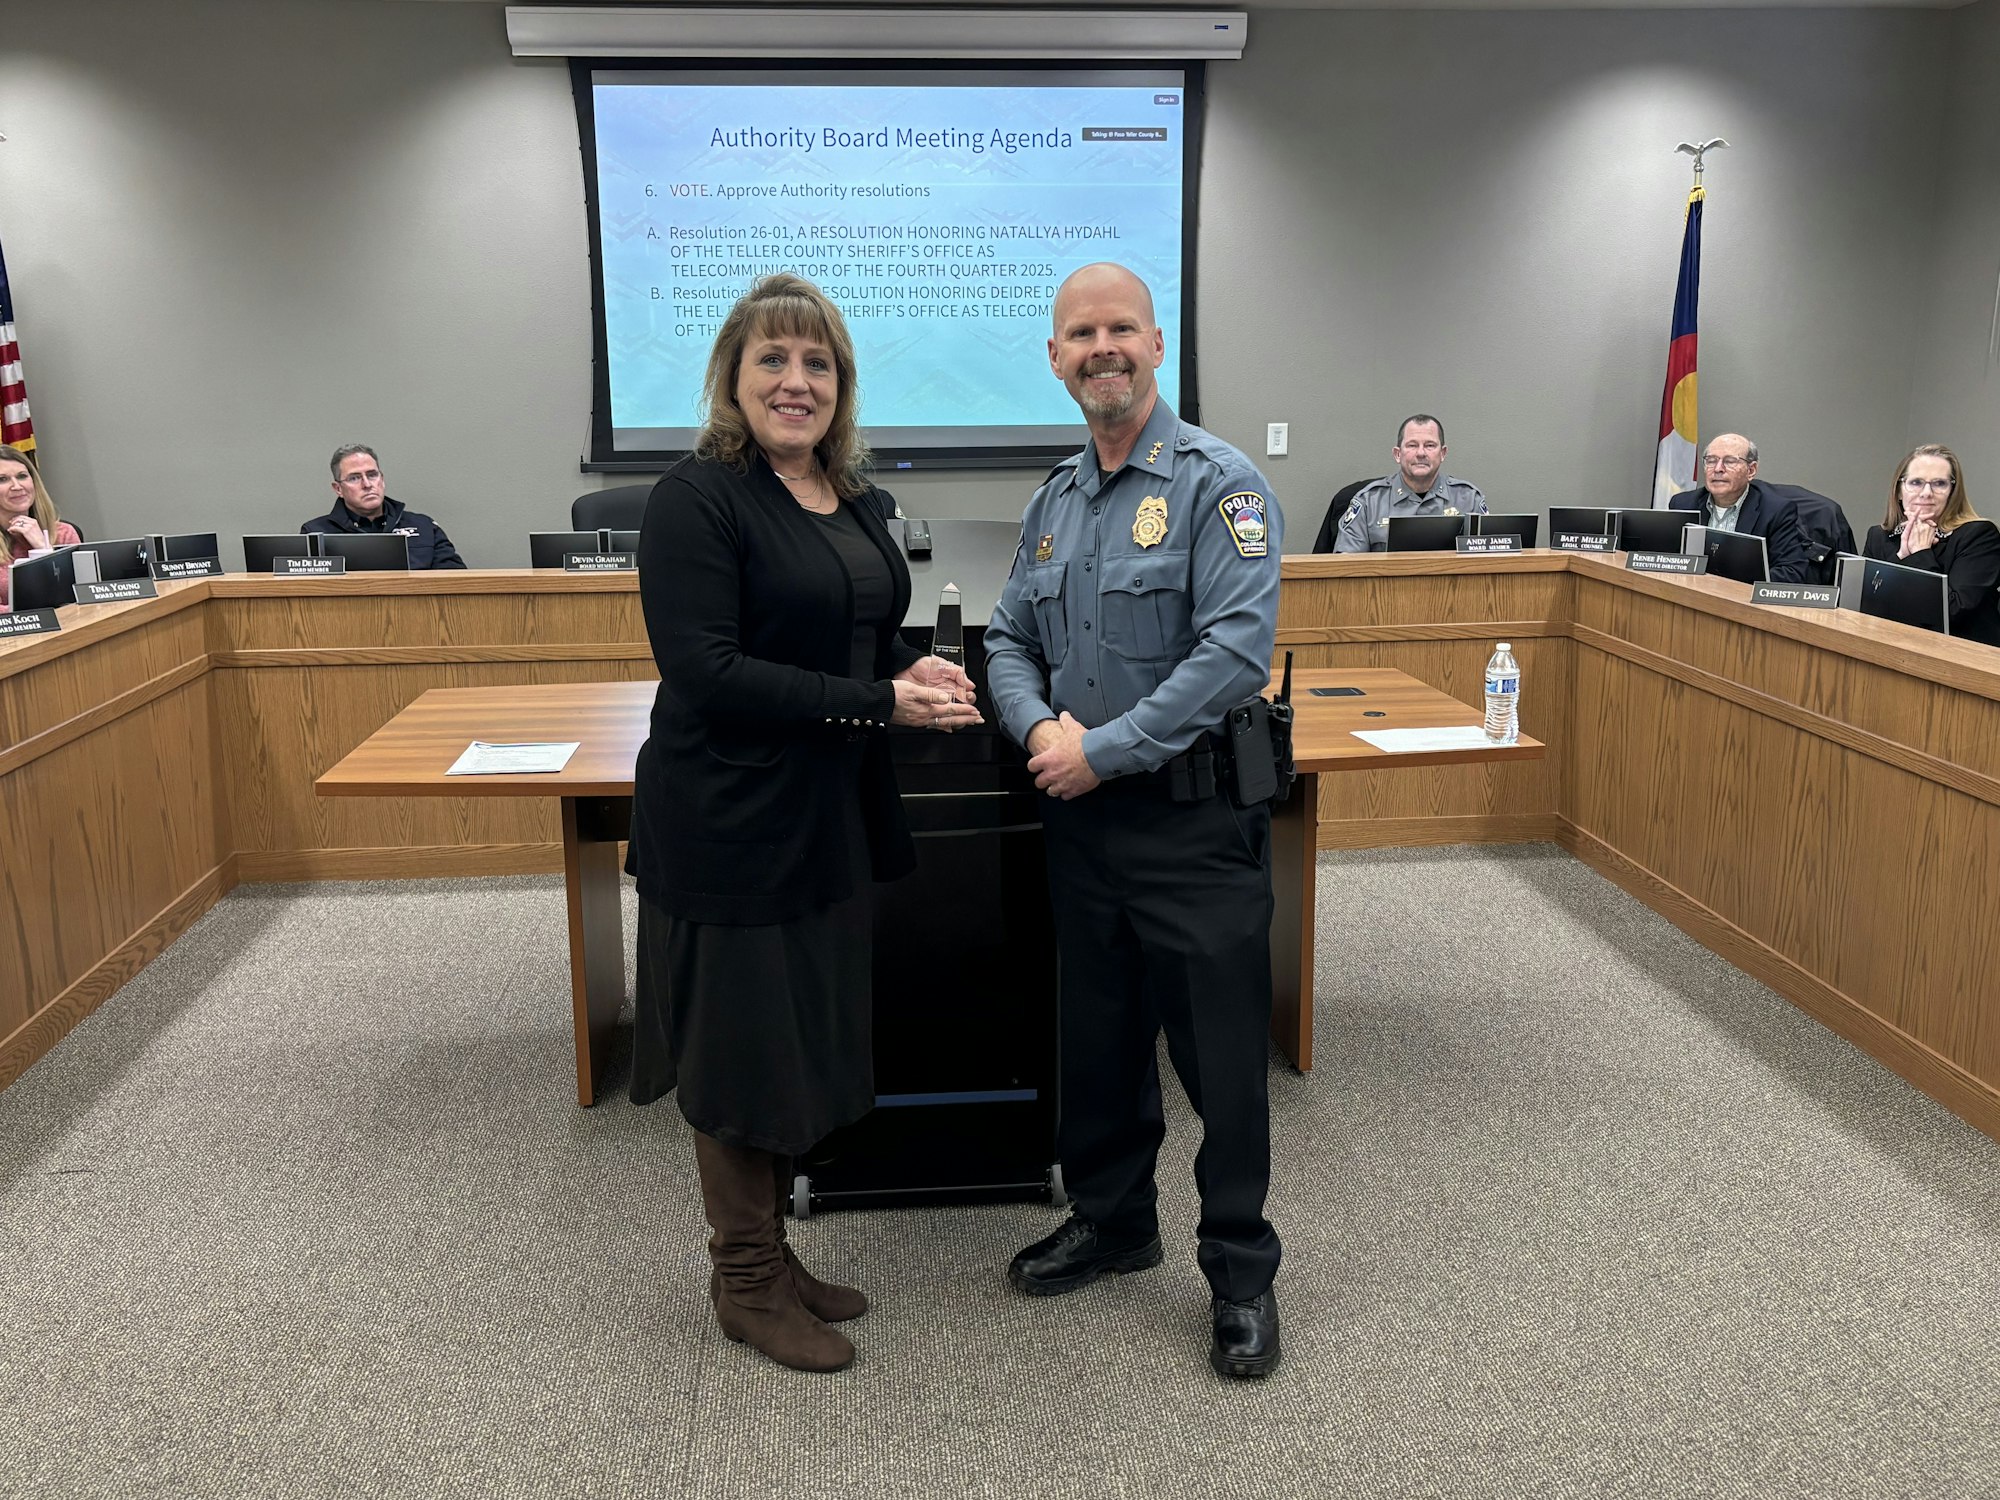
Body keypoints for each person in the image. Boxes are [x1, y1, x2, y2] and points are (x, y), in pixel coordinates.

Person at [625, 274, 980, 1373]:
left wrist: (896, 665)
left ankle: (775, 1260)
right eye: (773, 359)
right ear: (733, 376)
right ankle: (741, 1282)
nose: (796, 381)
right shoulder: (697, 497)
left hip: (822, 808)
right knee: (739, 1048)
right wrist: (877, 701)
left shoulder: (853, 496)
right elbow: (707, 669)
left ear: (841, 385)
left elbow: (848, 636)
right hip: (728, 814)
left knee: (796, 1035)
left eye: (816, 362)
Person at [983, 263, 1287, 1379]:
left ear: (1155, 343)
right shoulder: (1054, 499)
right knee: (1098, 1041)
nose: (1100, 348)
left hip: (1190, 823)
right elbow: (1009, 638)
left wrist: (1096, 751)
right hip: (1082, 826)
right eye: (1079, 334)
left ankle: (1240, 1271)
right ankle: (1114, 1223)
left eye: (1119, 328)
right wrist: (1036, 737)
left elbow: (1230, 657)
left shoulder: (1221, 485)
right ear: (1056, 358)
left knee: (1217, 1063)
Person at [1862, 444, 1999, 646]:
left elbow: (1951, 613)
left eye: (1939, 484)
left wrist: (1920, 553)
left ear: (1952, 492)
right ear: (1899, 491)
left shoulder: (1979, 535)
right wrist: (1900, 557)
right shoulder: (1879, 536)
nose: (1926, 493)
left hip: (1960, 657)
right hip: (1892, 650)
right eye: (1916, 482)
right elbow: (1867, 607)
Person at [1667, 433, 1811, 583]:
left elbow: (1791, 572)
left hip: (1741, 600)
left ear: (1751, 470)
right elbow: (1667, 559)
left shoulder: (1776, 511)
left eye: (1729, 461)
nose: (1718, 469)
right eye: (1711, 461)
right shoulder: (1683, 504)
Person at [1331, 414, 1485, 552]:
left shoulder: (1469, 500)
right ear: (1398, 454)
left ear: (1443, 453)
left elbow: (1489, 562)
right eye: (1412, 445)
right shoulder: (1368, 502)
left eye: (1430, 445)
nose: (1421, 453)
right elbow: (1346, 568)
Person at [302, 445, 466, 568]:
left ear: (382, 479)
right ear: (338, 489)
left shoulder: (424, 527)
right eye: (354, 478)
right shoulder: (315, 533)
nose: (367, 484)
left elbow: (457, 581)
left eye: (372, 475)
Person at [0, 445, 80, 608]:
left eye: (22, 476)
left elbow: (78, 596)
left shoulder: (63, 533)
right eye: (3, 479)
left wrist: (43, 548)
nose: (16, 486)